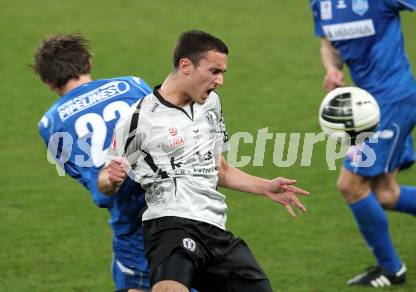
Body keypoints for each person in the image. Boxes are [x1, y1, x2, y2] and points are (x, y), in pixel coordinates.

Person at [98, 30, 310, 292]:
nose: (220, 80)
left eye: (222, 73)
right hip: (170, 223)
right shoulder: (140, 118)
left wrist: (265, 187)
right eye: (214, 71)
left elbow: (218, 168)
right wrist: (111, 178)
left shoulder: (211, 104)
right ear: (186, 65)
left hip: (214, 227)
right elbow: (104, 181)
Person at [310, 0, 416, 288]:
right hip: (369, 106)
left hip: (394, 99)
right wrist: (331, 69)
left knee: (350, 185)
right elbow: (329, 43)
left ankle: (392, 270)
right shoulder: (320, 3)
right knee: (384, 195)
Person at [34, 33, 152, 292]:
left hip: (133, 223)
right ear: (88, 63)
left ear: (50, 83)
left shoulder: (51, 123)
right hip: (183, 206)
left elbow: (95, 184)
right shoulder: (132, 85)